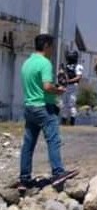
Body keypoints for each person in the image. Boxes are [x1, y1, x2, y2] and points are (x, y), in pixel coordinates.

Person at [18, 33, 71, 192]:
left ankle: (24, 178)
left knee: (28, 143)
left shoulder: (26, 63)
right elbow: (47, 87)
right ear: (46, 46)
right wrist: (59, 90)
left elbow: (34, 85)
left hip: (29, 106)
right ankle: (58, 173)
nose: (52, 50)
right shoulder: (45, 63)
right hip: (44, 107)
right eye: (52, 46)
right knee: (53, 140)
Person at [59, 50, 83, 126]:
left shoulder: (78, 66)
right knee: (64, 104)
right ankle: (63, 121)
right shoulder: (65, 66)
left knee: (71, 104)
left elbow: (78, 77)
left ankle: (72, 122)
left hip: (73, 86)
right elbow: (60, 76)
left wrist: (68, 80)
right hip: (65, 86)